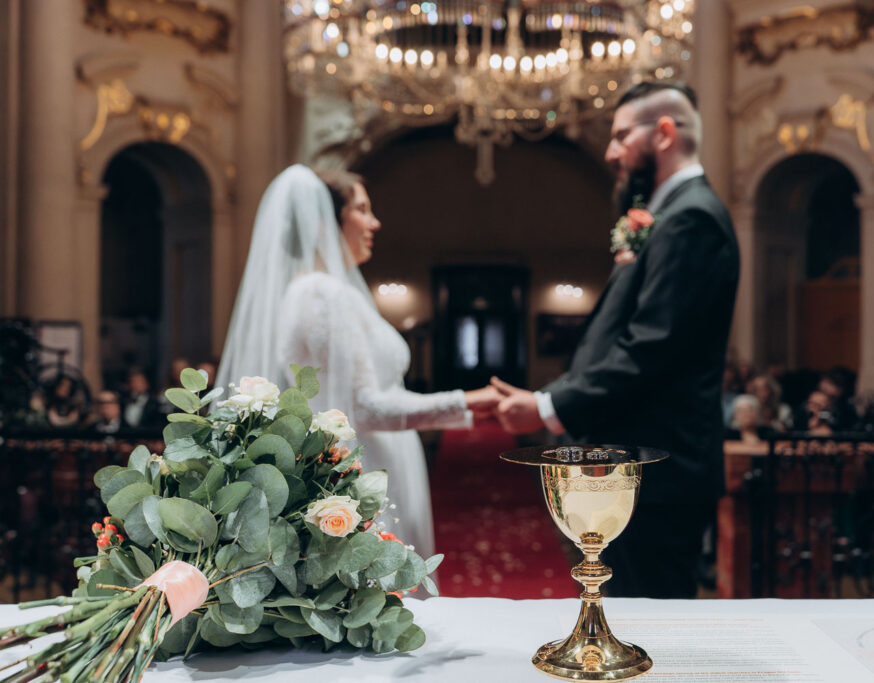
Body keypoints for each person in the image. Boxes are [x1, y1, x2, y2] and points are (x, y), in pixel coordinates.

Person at [491, 81, 740, 598]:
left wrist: (546, 405)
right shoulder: (670, 214)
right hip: (642, 464)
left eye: (622, 135)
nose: (610, 152)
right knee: (625, 616)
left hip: (659, 470)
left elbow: (651, 348)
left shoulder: (691, 219)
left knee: (650, 625)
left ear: (665, 133)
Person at [217, 165, 498, 557]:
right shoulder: (322, 293)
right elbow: (364, 408)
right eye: (363, 210)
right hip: (368, 467)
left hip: (376, 458)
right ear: (322, 221)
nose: (375, 222)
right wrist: (466, 401)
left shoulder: (316, 291)